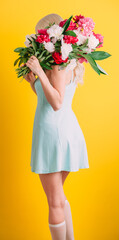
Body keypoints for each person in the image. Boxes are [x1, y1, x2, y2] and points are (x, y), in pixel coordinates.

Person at [24, 13, 89, 240]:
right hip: (61, 130)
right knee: (58, 197)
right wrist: (34, 83)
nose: (38, 41)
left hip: (54, 133)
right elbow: (47, 98)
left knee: (54, 202)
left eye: (41, 36)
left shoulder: (58, 66)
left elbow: (57, 103)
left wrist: (41, 73)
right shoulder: (60, 62)